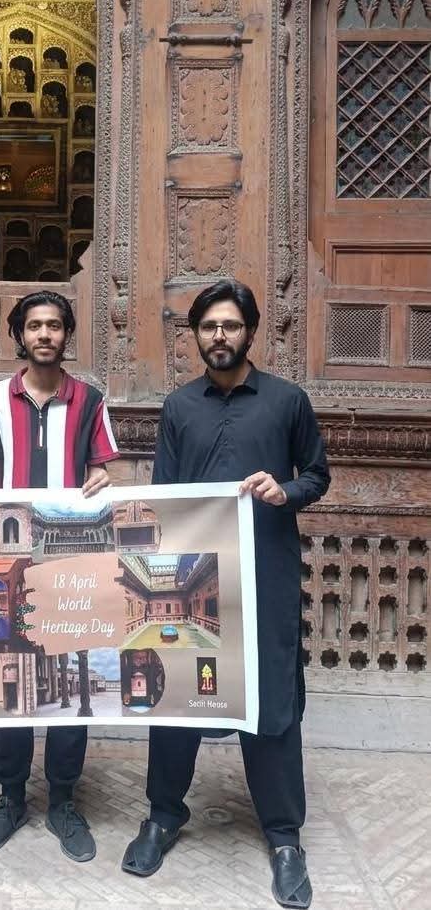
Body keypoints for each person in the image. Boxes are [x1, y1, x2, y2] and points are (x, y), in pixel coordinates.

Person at [122, 279, 329, 910]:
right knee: (178, 693)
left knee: (270, 700)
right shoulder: (179, 407)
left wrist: (285, 492)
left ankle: (284, 836)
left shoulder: (288, 401)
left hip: (265, 575)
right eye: (209, 326)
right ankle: (163, 815)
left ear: (251, 331)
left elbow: (317, 475)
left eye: (230, 325)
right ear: (195, 335)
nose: (219, 336)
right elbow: (163, 496)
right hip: (190, 583)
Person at [0, 290, 118, 863]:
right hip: (12, 563)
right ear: (19, 336)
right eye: (34, 326)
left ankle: (64, 800)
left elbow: (101, 471)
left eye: (54, 325)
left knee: (72, 677)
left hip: (72, 566)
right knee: (13, 676)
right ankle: (10, 796)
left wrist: (102, 481)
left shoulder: (91, 400)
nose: (44, 334)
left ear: (66, 334)